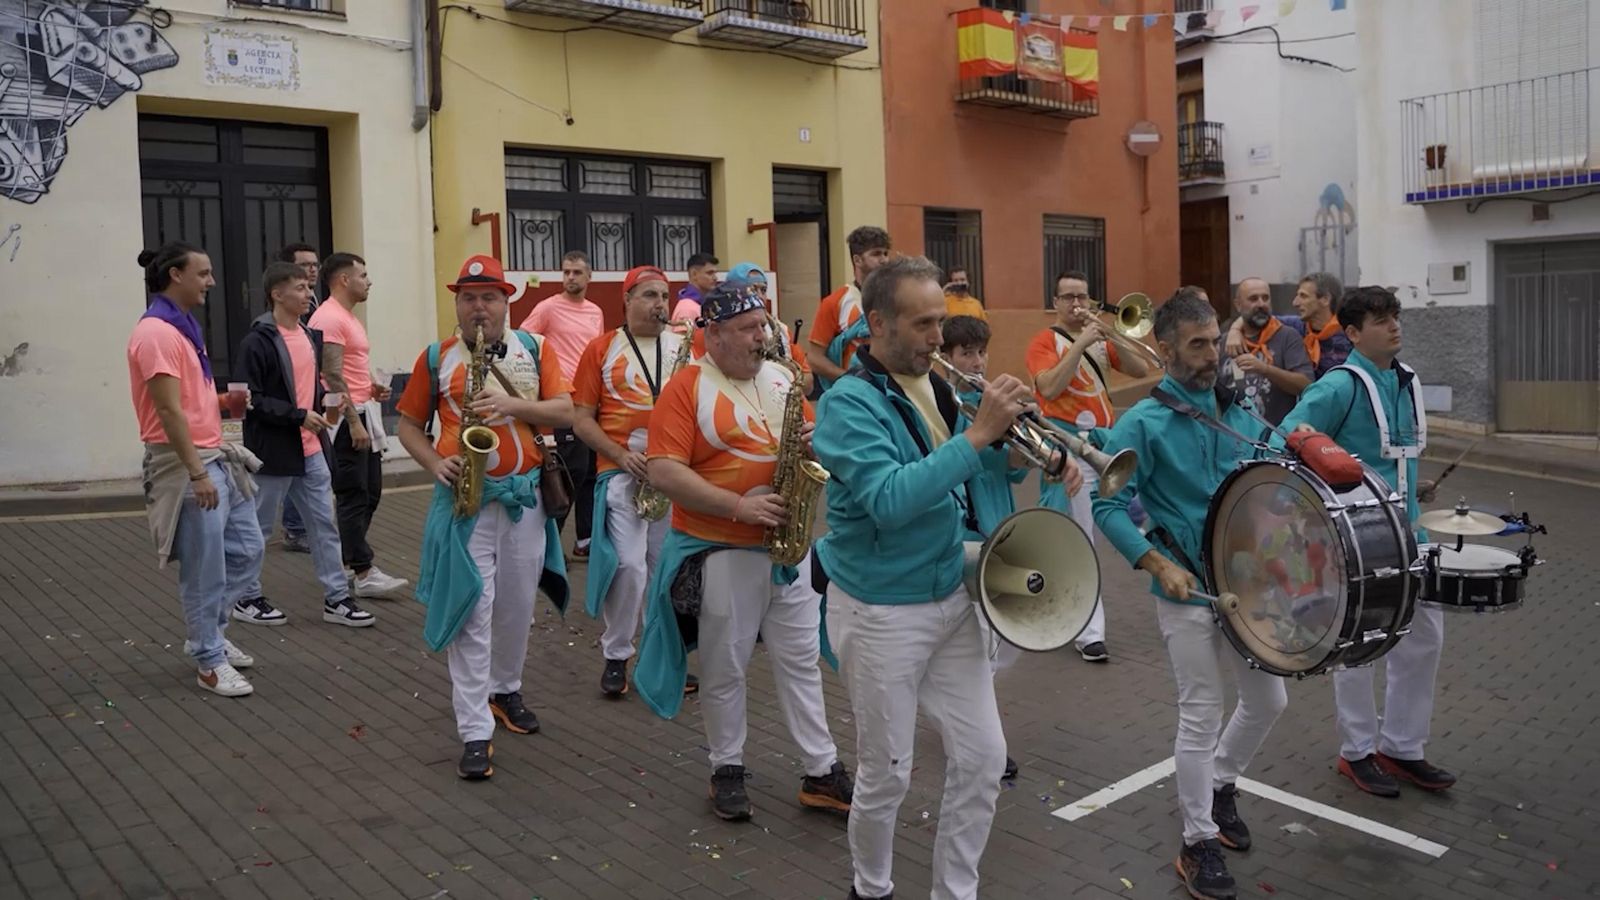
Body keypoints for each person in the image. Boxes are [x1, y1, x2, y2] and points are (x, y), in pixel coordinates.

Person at [814, 257, 1038, 900]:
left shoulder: (935, 386)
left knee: (983, 759)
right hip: (883, 613)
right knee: (887, 774)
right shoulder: (846, 406)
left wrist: (1020, 449)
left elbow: (970, 466)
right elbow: (889, 497)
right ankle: (872, 887)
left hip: (950, 596)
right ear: (877, 323)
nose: (939, 338)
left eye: (942, 321)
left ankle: (955, 891)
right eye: (923, 324)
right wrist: (977, 436)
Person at [1091, 291, 1288, 900]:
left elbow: (1273, 470)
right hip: (1185, 589)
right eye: (1197, 344)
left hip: (1246, 582)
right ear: (1168, 349)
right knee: (1200, 713)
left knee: (1269, 701)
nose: (1211, 355)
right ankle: (1197, 839)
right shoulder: (1140, 424)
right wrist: (1151, 560)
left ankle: (1222, 783)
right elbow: (1107, 503)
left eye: (1215, 341)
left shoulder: (1240, 410)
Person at [633, 282, 853, 823]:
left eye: (764, 326)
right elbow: (663, 471)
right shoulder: (685, 388)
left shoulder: (782, 378)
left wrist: (813, 440)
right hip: (723, 548)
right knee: (725, 664)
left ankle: (821, 769)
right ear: (714, 334)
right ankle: (726, 766)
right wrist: (738, 506)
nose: (764, 337)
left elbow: (813, 433)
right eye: (750, 330)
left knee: (800, 660)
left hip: (787, 548)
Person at [396, 254, 574, 780]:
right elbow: (408, 426)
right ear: (457, 303)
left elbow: (565, 411)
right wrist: (434, 462)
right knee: (474, 612)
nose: (479, 308)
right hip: (467, 505)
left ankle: (506, 689)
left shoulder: (536, 349)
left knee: (517, 608)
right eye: (469, 298)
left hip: (525, 501)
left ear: (506, 303)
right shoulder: (437, 357)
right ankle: (475, 729)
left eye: (489, 297)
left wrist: (514, 407)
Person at [1274, 286, 1453, 799]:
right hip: (1356, 541)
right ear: (1352, 333)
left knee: (1423, 641)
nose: (1394, 326)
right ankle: (1357, 751)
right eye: (1380, 319)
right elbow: (1287, 438)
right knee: (1360, 646)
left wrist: (1411, 487)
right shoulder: (1338, 387)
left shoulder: (1403, 381)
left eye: (1395, 316)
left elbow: (1385, 455)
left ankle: (1402, 747)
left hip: (1408, 534)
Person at [939, 314, 1081, 786]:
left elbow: (1013, 467)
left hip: (1001, 532)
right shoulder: (944, 408)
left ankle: (958, 715)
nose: (976, 362)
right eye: (965, 354)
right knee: (980, 648)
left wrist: (1039, 447)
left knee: (1004, 643)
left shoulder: (989, 403)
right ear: (946, 359)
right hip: (962, 539)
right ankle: (978, 743)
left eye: (980, 352)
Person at [128, 242, 261, 697]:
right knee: (205, 570)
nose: (212, 282)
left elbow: (185, 400)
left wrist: (221, 403)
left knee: (247, 549)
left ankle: (209, 635)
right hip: (189, 467)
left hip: (212, 456)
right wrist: (198, 474)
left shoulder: (181, 327)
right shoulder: (157, 334)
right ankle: (208, 659)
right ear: (174, 275)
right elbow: (167, 413)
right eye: (202, 273)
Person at [237, 262, 375, 629]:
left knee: (323, 525)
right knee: (258, 530)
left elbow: (312, 387)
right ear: (276, 294)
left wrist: (326, 404)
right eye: (298, 287)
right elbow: (252, 399)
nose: (307, 293)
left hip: (311, 448)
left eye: (306, 287)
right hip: (273, 451)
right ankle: (246, 596)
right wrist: (298, 416)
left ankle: (337, 598)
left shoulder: (310, 336)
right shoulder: (258, 341)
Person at [571, 266, 688, 696]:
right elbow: (580, 419)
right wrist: (620, 455)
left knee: (666, 571)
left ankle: (659, 655)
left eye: (665, 296)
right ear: (627, 300)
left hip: (672, 475)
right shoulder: (601, 349)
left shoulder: (684, 348)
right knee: (629, 566)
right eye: (650, 296)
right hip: (623, 474)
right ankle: (617, 653)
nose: (661, 304)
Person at [1024, 270, 1152, 663]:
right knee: (1079, 535)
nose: (1077, 304)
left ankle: (1056, 598)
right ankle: (1088, 631)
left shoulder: (1098, 339)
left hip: (1105, 446)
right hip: (1066, 448)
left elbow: (1141, 370)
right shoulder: (1044, 341)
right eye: (1069, 298)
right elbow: (1048, 388)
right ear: (1055, 303)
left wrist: (1114, 335)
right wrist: (1080, 343)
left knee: (1103, 526)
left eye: (1083, 296)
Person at [306, 252, 407, 602]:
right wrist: (352, 420)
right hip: (349, 418)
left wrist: (370, 387)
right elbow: (331, 373)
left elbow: (349, 366)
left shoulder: (345, 317)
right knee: (354, 493)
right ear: (344, 280)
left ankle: (349, 560)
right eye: (363, 275)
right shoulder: (329, 317)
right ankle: (362, 571)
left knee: (371, 493)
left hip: (364, 409)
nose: (369, 281)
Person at [521, 250, 606, 561]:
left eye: (577, 272)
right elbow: (525, 343)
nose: (570, 277)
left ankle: (584, 540)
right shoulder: (547, 308)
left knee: (590, 474)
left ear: (589, 277)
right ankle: (547, 550)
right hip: (562, 402)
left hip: (590, 402)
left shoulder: (595, 311)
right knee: (567, 473)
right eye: (566, 272)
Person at [275, 242, 322, 553]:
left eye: (315, 265)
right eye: (305, 265)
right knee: (291, 474)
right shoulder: (271, 330)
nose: (313, 270)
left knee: (307, 474)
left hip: (312, 412)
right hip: (288, 417)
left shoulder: (315, 303)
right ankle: (294, 528)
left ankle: (337, 592)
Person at [806, 226, 893, 390]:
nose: (884, 260)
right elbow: (815, 359)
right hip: (855, 393)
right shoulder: (834, 302)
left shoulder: (897, 298)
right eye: (876, 254)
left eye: (885, 253)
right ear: (857, 260)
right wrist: (850, 380)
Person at [1218, 277, 1312, 426]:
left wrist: (1265, 369)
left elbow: (1305, 384)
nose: (1261, 304)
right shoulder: (1223, 342)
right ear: (1238, 305)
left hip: (1277, 437)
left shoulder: (1287, 336)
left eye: (1265, 298)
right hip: (1232, 436)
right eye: (1253, 299)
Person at [713, 262, 813, 395]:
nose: (760, 296)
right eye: (753, 289)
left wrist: (789, 374)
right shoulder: (720, 331)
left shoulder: (781, 330)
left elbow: (808, 382)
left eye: (763, 290)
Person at [1227, 272, 1350, 379]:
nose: (1295, 303)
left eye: (1303, 296)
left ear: (1325, 299)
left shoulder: (1350, 334)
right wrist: (1234, 330)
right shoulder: (1297, 325)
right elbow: (1261, 316)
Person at [670, 252, 720, 323]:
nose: (715, 278)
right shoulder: (687, 308)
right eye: (710, 273)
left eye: (715, 273)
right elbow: (683, 334)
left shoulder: (702, 304)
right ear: (694, 274)